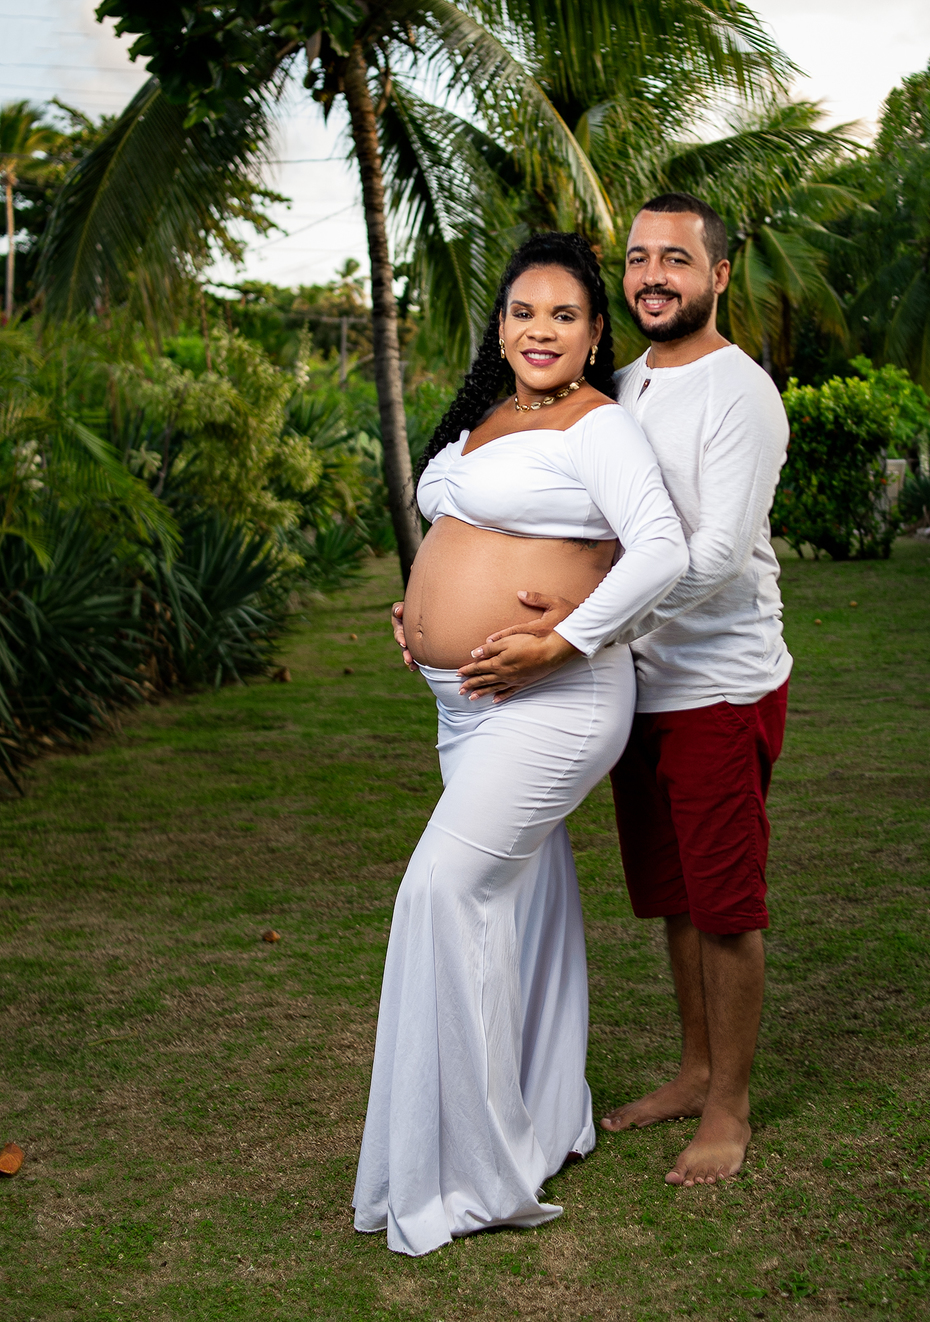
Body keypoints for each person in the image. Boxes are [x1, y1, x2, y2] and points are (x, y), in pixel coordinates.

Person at [353, 231, 687, 1257]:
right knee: (514, 906)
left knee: (440, 892)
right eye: (524, 311)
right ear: (499, 326)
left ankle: (472, 1169)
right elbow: (464, 535)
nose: (541, 330)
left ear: (594, 334)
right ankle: (542, 1116)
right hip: (465, 704)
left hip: (557, 699)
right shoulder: (481, 419)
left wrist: (561, 639)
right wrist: (423, 610)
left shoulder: (600, 426)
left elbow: (662, 550)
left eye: (564, 315)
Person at [456, 194, 791, 1190]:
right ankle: (695, 1070)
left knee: (724, 904)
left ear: (717, 275)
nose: (653, 275)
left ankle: (729, 1107)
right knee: (674, 895)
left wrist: (573, 631)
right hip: (633, 686)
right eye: (640, 258)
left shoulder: (740, 394)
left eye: (675, 259)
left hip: (718, 685)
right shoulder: (622, 384)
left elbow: (712, 558)